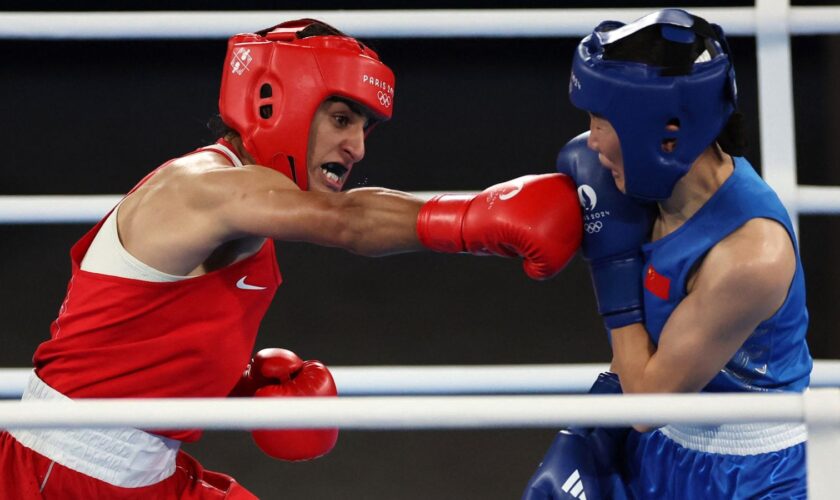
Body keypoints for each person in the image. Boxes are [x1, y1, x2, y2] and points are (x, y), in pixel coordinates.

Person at [0, 19, 583, 498]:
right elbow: (346, 221)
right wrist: (479, 216)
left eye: (364, 127)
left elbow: (132, 343)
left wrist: (239, 387)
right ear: (273, 100)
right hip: (62, 475)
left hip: (143, 474)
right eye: (340, 119)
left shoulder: (251, 206)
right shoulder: (202, 187)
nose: (355, 146)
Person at [523, 9, 811, 499]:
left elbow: (647, 402)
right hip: (663, 445)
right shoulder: (654, 188)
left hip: (750, 474)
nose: (590, 141)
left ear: (662, 135)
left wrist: (611, 263)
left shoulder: (750, 255)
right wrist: (589, 433)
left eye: (600, 121)